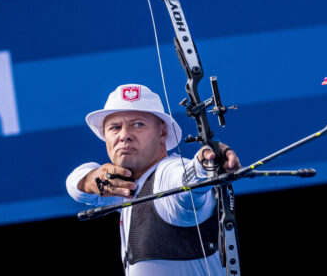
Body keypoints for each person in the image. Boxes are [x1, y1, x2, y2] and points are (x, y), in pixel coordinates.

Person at [66, 84, 241, 275]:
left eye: (138, 124)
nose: (124, 135)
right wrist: (89, 179)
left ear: (163, 132)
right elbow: (74, 185)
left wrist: (206, 162)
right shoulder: (123, 186)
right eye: (115, 128)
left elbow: (185, 180)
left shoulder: (167, 174)